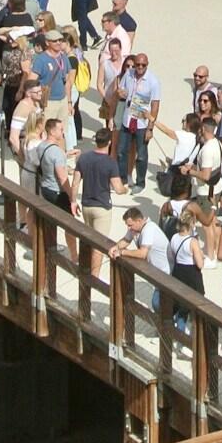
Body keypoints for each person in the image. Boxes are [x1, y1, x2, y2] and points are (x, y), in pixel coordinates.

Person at [72, 128, 128, 277]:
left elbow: (75, 183)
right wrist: (125, 189)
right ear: (109, 142)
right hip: (102, 207)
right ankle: (94, 277)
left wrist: (73, 201)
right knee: (99, 245)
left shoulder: (84, 158)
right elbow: (117, 188)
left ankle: (84, 269)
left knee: (88, 240)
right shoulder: (110, 162)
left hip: (86, 205)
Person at [115, 52, 161, 188]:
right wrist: (120, 93)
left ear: (147, 65)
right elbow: (120, 89)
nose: (140, 67)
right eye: (138, 65)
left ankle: (140, 183)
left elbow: (155, 105)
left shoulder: (153, 81)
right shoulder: (128, 74)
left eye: (143, 65)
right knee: (121, 151)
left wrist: (150, 128)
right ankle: (123, 179)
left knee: (141, 155)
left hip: (142, 122)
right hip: (127, 118)